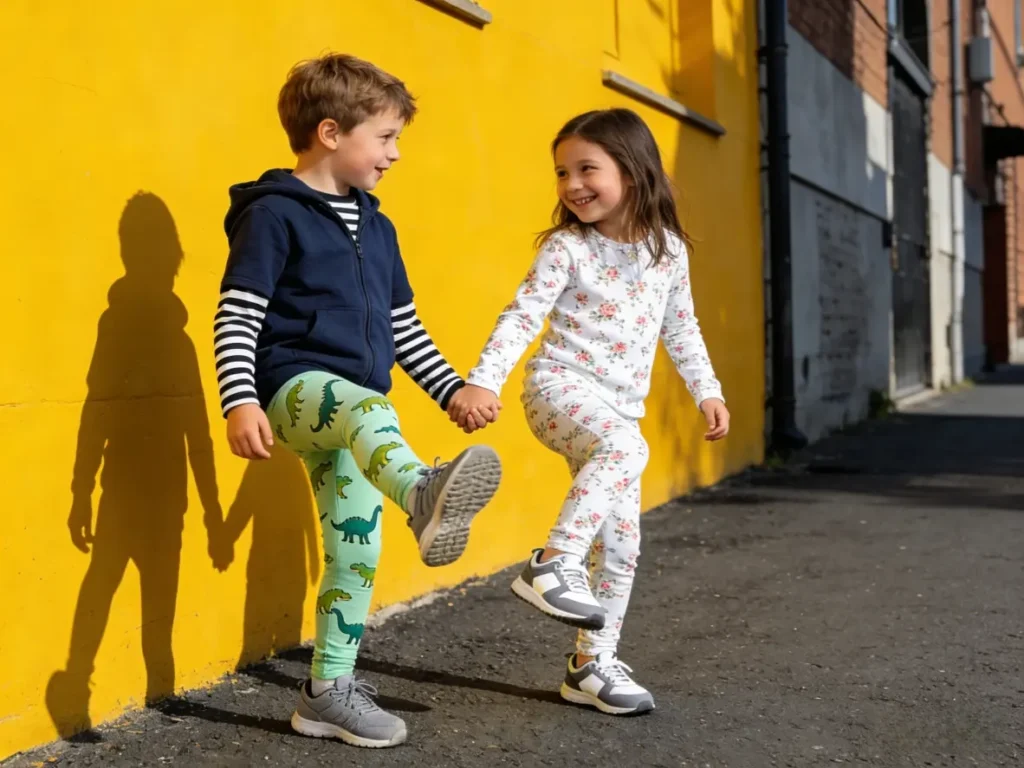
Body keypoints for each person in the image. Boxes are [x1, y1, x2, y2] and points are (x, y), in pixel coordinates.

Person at [214, 53, 502, 748]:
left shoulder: (379, 228)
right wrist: (239, 400)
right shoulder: (274, 215)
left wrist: (453, 390)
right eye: (386, 137)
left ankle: (326, 692)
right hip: (293, 388)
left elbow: (404, 329)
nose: (395, 154)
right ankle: (421, 492)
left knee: (356, 548)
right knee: (374, 411)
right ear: (331, 133)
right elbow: (237, 314)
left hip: (352, 418)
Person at [448, 108, 729, 716]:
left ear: (632, 169)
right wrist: (483, 380)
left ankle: (590, 665)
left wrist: (707, 389)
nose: (572, 184)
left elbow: (682, 327)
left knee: (623, 544)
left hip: (615, 412)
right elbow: (522, 315)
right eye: (561, 172)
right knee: (627, 449)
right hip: (557, 389)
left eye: (586, 169)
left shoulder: (667, 253)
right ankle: (553, 562)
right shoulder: (567, 248)